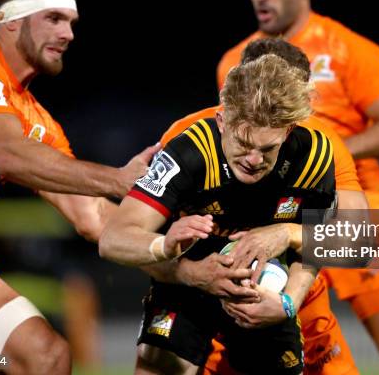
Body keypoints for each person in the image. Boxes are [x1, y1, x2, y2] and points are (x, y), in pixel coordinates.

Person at [216, 0, 379, 374]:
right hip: (277, 219)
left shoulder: (349, 49)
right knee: (294, 361)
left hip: (362, 213)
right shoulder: (235, 62)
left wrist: (326, 159)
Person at [0, 0, 156, 373]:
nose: (69, 34)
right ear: (11, 21)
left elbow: (93, 216)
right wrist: (117, 178)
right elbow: (7, 153)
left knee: (43, 357)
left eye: (72, 23)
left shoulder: (36, 120)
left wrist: (180, 262)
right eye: (54, 19)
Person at [100, 54, 348, 374]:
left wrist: (288, 300)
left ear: (287, 134)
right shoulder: (190, 151)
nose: (254, 160)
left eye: (268, 149)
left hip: (262, 291)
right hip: (184, 283)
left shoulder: (313, 157)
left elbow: (337, 242)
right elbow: (113, 238)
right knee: (159, 363)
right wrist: (165, 247)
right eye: (244, 143)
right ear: (222, 122)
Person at [158, 38, 367, 375]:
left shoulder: (320, 146)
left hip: (296, 292)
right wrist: (189, 273)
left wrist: (287, 235)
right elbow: (136, 232)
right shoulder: (186, 138)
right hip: (197, 297)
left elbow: (360, 240)